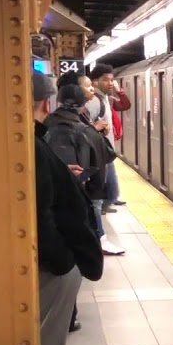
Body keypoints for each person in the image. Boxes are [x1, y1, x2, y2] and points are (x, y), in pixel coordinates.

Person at [31, 73, 103, 345]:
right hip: (51, 266)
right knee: (46, 342)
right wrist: (64, 264)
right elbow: (40, 212)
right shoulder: (31, 143)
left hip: (47, 262)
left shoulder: (30, 140)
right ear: (47, 102)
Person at [45, 83, 124, 256]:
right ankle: (100, 239)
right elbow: (106, 157)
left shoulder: (45, 125)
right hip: (82, 189)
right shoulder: (87, 132)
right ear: (83, 104)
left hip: (50, 194)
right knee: (93, 205)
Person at [88, 64, 126, 212]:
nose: (110, 83)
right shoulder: (94, 101)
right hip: (100, 150)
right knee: (103, 189)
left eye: (111, 80)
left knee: (110, 187)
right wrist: (95, 127)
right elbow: (84, 125)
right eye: (105, 79)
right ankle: (101, 210)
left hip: (105, 149)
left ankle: (106, 204)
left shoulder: (105, 98)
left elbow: (125, 105)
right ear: (95, 82)